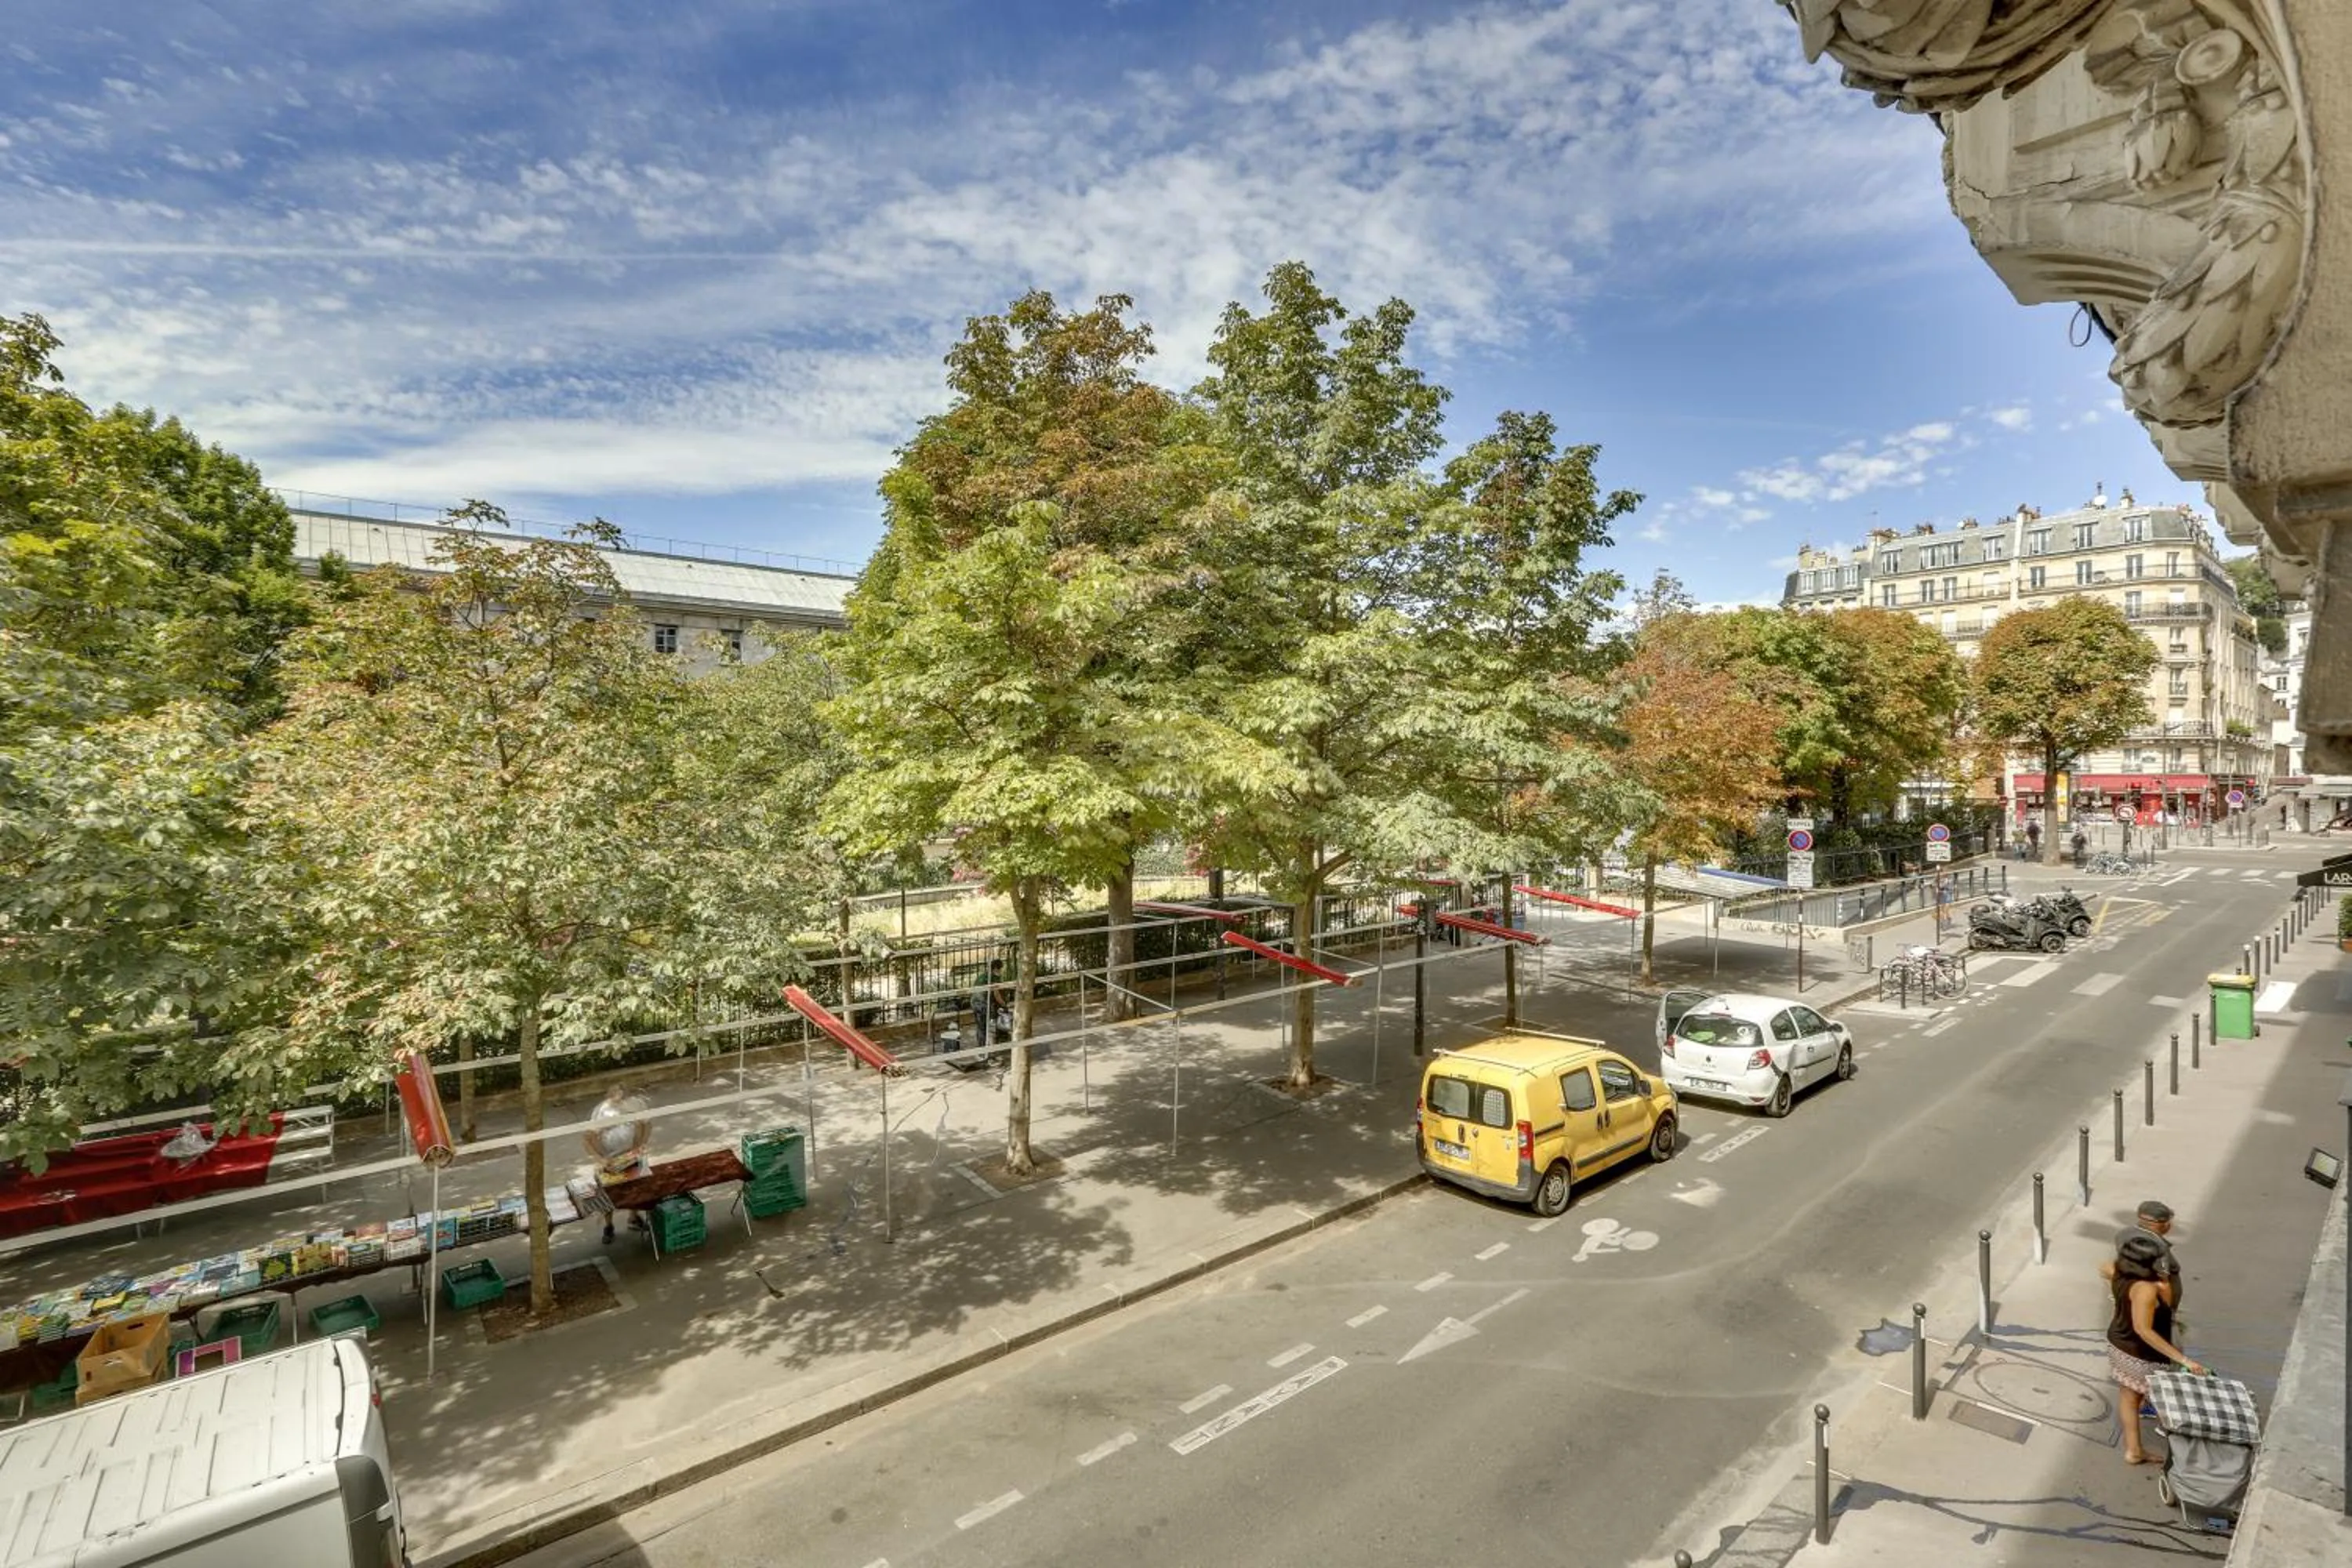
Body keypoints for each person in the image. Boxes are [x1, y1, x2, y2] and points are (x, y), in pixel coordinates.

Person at [2103, 1232, 2204, 1465]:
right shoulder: (2147, 1290)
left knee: (2129, 1395)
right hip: (2140, 1354)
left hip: (2118, 1344)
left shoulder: (2118, 1272)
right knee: (2168, 1401)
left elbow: (2104, 1269)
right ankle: (2187, 1458)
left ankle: (2134, 1450)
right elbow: (2144, 1330)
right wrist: (2184, 1360)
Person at [583, 1089, 652, 1244]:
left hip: (631, 1156)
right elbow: (587, 1139)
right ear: (608, 1096)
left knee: (635, 1188)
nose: (619, 1097)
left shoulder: (635, 1105)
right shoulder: (601, 1111)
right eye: (615, 1094)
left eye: (622, 1092)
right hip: (610, 1159)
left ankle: (633, 1218)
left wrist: (641, 1145)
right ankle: (608, 1226)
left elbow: (646, 1125)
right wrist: (600, 1159)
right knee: (608, 1194)